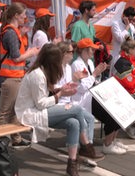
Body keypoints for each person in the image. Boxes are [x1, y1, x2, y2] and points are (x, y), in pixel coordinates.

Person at [14, 43, 91, 176]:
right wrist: (60, 94)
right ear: (52, 60)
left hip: (39, 110)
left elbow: (43, 97)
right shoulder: (37, 75)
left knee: (74, 123)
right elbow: (40, 104)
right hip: (30, 113)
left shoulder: (42, 71)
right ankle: (86, 146)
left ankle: (72, 163)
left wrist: (60, 90)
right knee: (77, 110)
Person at [0, 2, 40, 148]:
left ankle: (15, 137)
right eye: (23, 15)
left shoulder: (12, 32)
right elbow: (16, 57)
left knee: (15, 109)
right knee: (5, 111)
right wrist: (31, 53)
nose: (25, 18)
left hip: (15, 76)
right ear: (15, 15)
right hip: (10, 77)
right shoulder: (10, 32)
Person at [56, 40, 105, 161]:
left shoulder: (88, 63)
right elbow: (81, 88)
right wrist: (93, 75)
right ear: (84, 50)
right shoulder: (76, 65)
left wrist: (97, 75)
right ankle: (86, 147)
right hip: (73, 100)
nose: (93, 52)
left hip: (80, 99)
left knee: (88, 119)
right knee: (84, 120)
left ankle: (87, 146)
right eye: (91, 49)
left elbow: (90, 82)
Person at [111, 6, 135, 72]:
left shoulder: (131, 26)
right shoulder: (116, 24)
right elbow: (121, 39)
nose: (130, 21)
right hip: (118, 57)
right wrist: (127, 26)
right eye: (129, 19)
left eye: (132, 19)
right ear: (124, 16)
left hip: (129, 57)